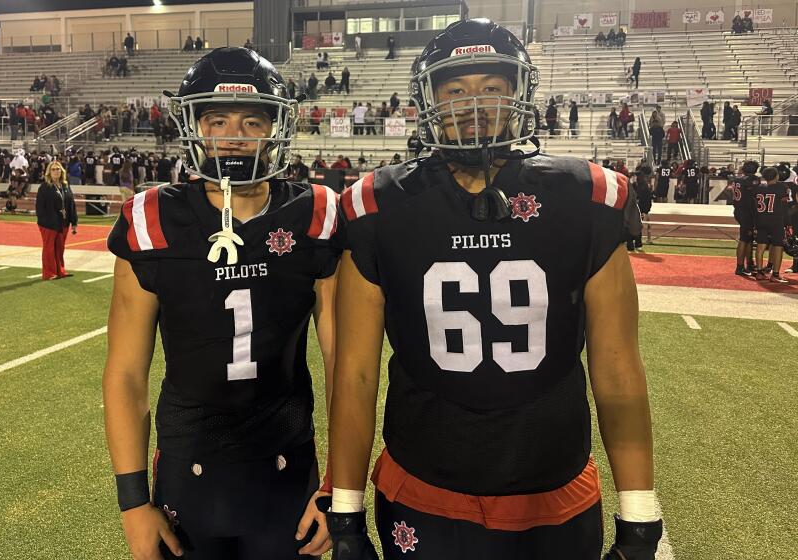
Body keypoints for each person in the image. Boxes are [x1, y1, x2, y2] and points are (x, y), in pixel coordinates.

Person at [323, 18, 662, 560]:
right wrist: (345, 512)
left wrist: (640, 517)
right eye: (455, 89)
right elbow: (357, 373)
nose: (472, 104)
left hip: (551, 484)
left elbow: (619, 368)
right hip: (423, 482)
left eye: (492, 89)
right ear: (427, 100)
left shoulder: (586, 198)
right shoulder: (377, 206)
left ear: (520, 94)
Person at [105, 47, 340, 560]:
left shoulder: (315, 214)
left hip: (286, 471)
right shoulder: (152, 220)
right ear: (193, 125)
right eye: (217, 119)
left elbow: (346, 367)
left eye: (252, 120)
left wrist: (341, 488)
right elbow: (125, 373)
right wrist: (131, 501)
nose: (234, 134)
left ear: (276, 128)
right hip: (189, 474)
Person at [35, 161, 77, 280]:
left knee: (60, 247)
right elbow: (39, 207)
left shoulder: (65, 185)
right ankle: (49, 273)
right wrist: (45, 221)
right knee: (49, 248)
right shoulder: (44, 187)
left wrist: (74, 221)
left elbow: (71, 204)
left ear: (62, 171)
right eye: (53, 169)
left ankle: (60, 271)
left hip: (63, 223)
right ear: (49, 172)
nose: (56, 171)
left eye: (58, 169)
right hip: (48, 224)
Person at [753, 167, 790, 282]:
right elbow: (785, 206)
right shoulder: (781, 187)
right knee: (778, 246)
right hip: (776, 220)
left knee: (760, 245)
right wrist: (787, 223)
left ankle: (759, 272)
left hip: (761, 220)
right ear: (777, 176)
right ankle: (775, 274)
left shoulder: (758, 187)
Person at [730, 160, 760, 275]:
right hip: (747, 212)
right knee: (744, 239)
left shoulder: (737, 179)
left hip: (739, 210)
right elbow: (756, 193)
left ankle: (749, 263)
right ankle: (740, 266)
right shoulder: (752, 180)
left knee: (748, 238)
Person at [628, 169, 652, 251]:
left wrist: (645, 211)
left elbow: (647, 199)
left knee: (635, 226)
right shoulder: (635, 185)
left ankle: (635, 243)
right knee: (633, 226)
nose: (636, 178)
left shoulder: (644, 186)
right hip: (634, 209)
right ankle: (633, 244)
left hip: (640, 209)